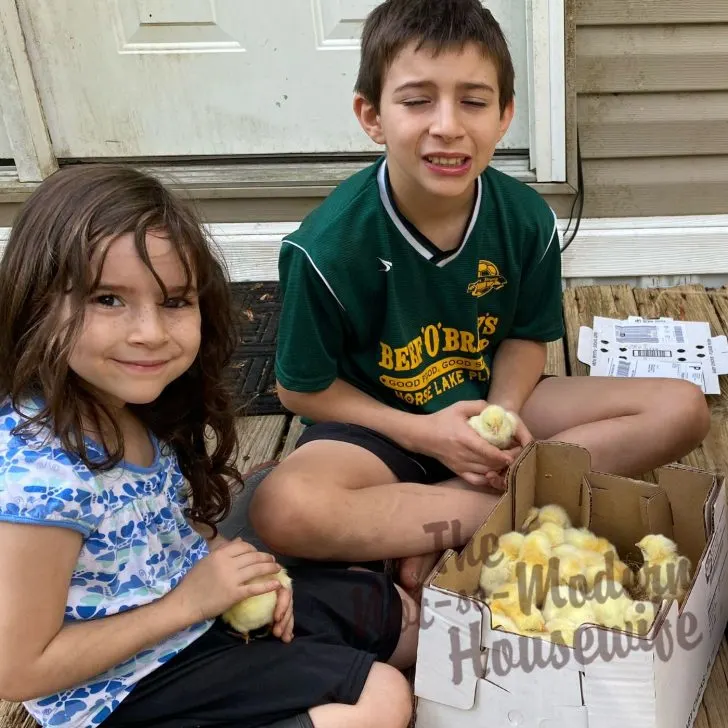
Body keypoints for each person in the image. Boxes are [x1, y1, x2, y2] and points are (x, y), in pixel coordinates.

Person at [249, 0, 711, 595]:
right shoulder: (326, 249)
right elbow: (300, 390)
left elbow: (525, 337)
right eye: (417, 100)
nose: (448, 125)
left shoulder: (525, 220)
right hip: (383, 432)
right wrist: (422, 433)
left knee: (682, 408)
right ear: (372, 115)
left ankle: (436, 525)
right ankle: (499, 515)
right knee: (284, 507)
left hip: (496, 410)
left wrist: (504, 418)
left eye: (473, 100)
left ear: (504, 115)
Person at [0, 165, 418, 728]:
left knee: (394, 615)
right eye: (107, 299)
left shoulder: (127, 406)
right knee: (382, 698)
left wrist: (233, 563)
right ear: (36, 303)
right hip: (122, 692)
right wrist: (188, 603)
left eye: (174, 302)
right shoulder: (41, 485)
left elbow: (161, 523)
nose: (149, 331)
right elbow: (19, 670)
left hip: (190, 614)